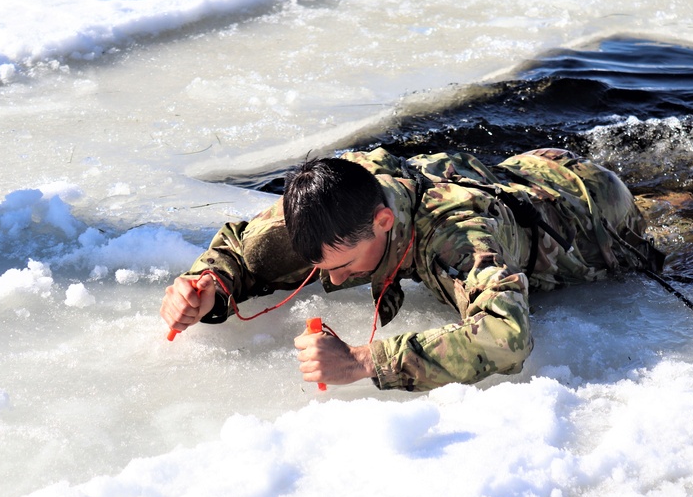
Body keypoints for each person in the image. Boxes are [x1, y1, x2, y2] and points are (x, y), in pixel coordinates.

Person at [160, 147, 664, 391]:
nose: (332, 281)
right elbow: (244, 249)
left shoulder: (457, 238)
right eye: (324, 268)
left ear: (383, 222)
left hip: (591, 213)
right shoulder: (332, 202)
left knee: (688, 216)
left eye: (343, 267)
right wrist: (207, 287)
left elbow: (506, 337)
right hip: (516, 171)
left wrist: (364, 361)